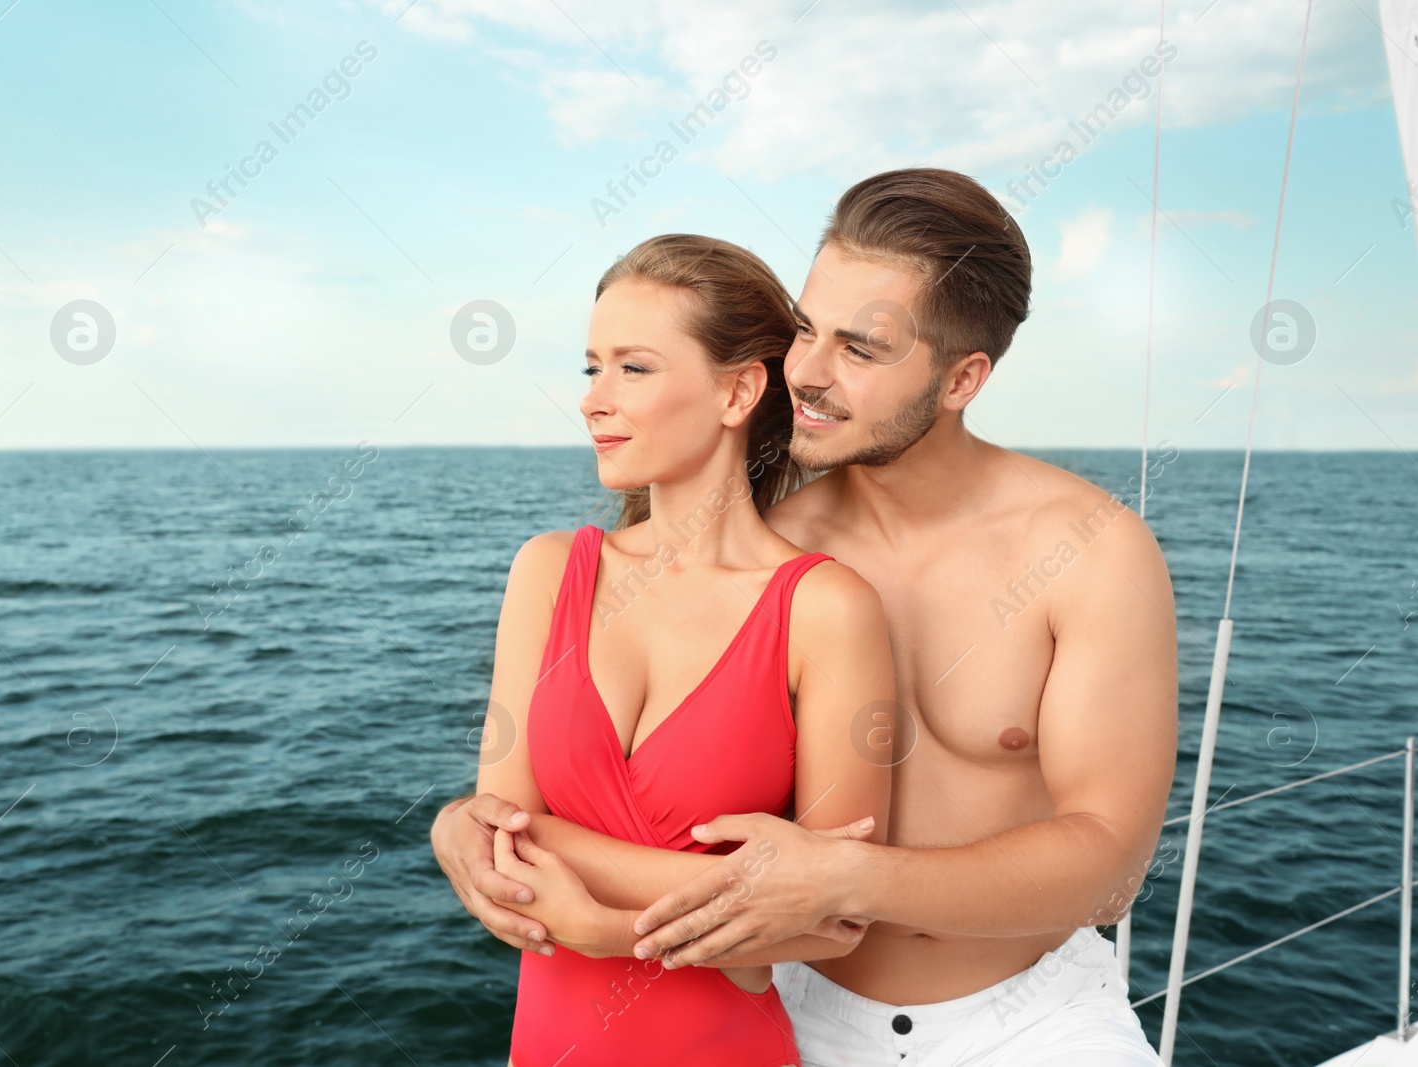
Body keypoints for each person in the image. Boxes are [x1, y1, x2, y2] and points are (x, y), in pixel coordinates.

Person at [436, 169, 1178, 1066]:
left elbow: (1111, 867)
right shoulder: (775, 550)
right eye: (806, 333)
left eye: (861, 349)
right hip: (790, 1007)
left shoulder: (1091, 548)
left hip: (1029, 1024)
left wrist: (850, 877)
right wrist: (468, 822)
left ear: (962, 377)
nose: (811, 375)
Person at [444, 233, 895, 1067]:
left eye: (633, 368)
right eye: (591, 368)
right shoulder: (548, 572)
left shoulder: (825, 608)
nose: (592, 400)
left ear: (737, 391)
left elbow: (836, 919)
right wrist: (754, 894)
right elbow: (501, 832)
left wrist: (608, 928)